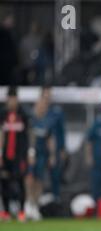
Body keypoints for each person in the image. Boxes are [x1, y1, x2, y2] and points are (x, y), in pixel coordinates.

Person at [25, 91, 57, 220]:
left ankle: (35, 206)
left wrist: (52, 155)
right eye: (41, 105)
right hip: (31, 153)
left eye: (45, 106)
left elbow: (50, 138)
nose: (43, 108)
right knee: (29, 178)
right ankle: (28, 203)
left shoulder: (48, 121)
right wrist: (30, 152)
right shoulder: (31, 119)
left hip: (43, 154)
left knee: (39, 180)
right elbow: (29, 137)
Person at [0, 87, 29, 222]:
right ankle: (5, 212)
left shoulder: (23, 115)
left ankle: (22, 212)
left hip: (20, 156)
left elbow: (29, 134)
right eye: (10, 99)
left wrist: (30, 152)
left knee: (21, 182)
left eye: (14, 99)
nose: (12, 102)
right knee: (4, 182)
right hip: (5, 156)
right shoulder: (2, 115)